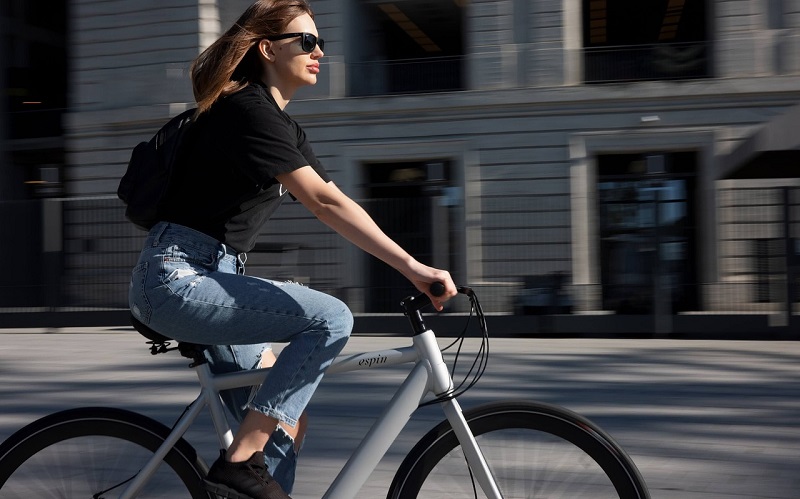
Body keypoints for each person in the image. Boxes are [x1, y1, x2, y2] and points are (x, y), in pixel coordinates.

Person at [127, 1, 457, 498]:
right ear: (266, 49)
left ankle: (246, 464)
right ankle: (239, 461)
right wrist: (412, 267)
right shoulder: (245, 109)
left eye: (321, 41)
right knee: (331, 319)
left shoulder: (281, 126)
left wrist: (407, 264)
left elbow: (336, 198)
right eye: (306, 41)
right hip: (178, 278)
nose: (319, 50)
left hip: (213, 276)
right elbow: (323, 203)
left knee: (286, 426)